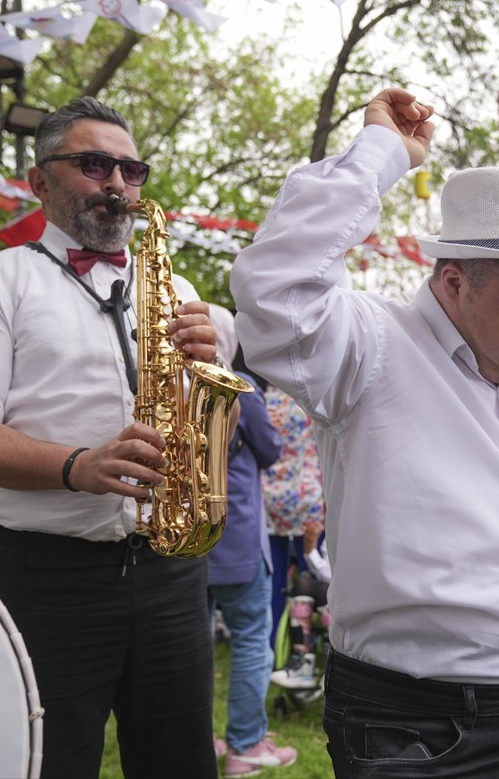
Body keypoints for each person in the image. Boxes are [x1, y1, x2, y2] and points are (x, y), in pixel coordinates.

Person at [230, 87, 499, 779]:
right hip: (420, 727)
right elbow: (273, 294)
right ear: (453, 281)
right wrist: (380, 154)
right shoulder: (368, 346)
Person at [0, 96, 222, 777]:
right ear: (40, 181)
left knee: (180, 764)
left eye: (131, 169)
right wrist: (78, 466)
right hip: (45, 579)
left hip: (171, 569)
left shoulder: (171, 287)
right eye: (94, 164)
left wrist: (206, 371)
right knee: (47, 764)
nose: (117, 183)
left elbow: (202, 429)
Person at [205, 306, 296, 777]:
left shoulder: (168, 384)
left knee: (193, 647)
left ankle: (201, 740)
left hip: (185, 541)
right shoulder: (238, 386)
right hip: (237, 534)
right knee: (251, 643)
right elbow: (271, 449)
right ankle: (245, 744)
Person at [260, 383, 327, 647]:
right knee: (309, 576)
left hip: (271, 498)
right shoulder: (309, 399)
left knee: (274, 579)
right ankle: (306, 648)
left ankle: (273, 642)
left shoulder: (265, 401)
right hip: (308, 494)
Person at [269, 517, 332, 691]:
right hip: (333, 589)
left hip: (355, 594)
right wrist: (310, 549)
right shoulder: (338, 525)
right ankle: (302, 660)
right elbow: (326, 571)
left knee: (331, 592)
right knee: (303, 584)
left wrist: (311, 552)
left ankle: (339, 659)